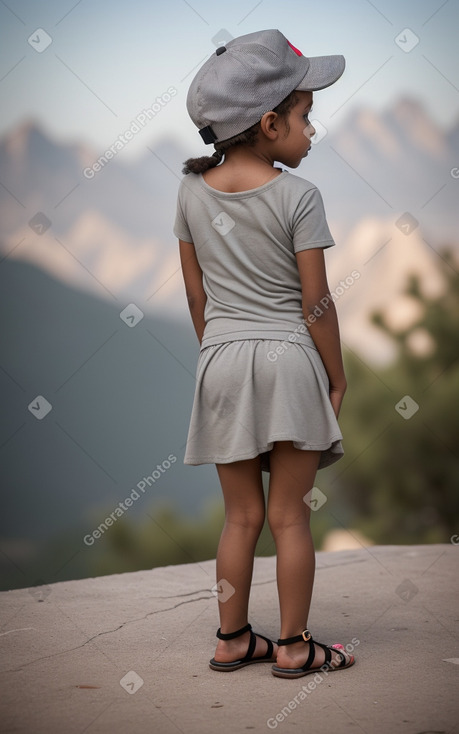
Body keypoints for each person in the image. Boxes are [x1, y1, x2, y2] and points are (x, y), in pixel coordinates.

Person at [173, 29, 355, 679]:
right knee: (289, 518)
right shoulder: (297, 196)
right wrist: (335, 376)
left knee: (241, 516)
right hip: (289, 364)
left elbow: (196, 297)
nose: (312, 130)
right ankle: (295, 646)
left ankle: (230, 639)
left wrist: (219, 355)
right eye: (306, 117)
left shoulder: (191, 193)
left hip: (219, 362)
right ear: (269, 122)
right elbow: (315, 303)